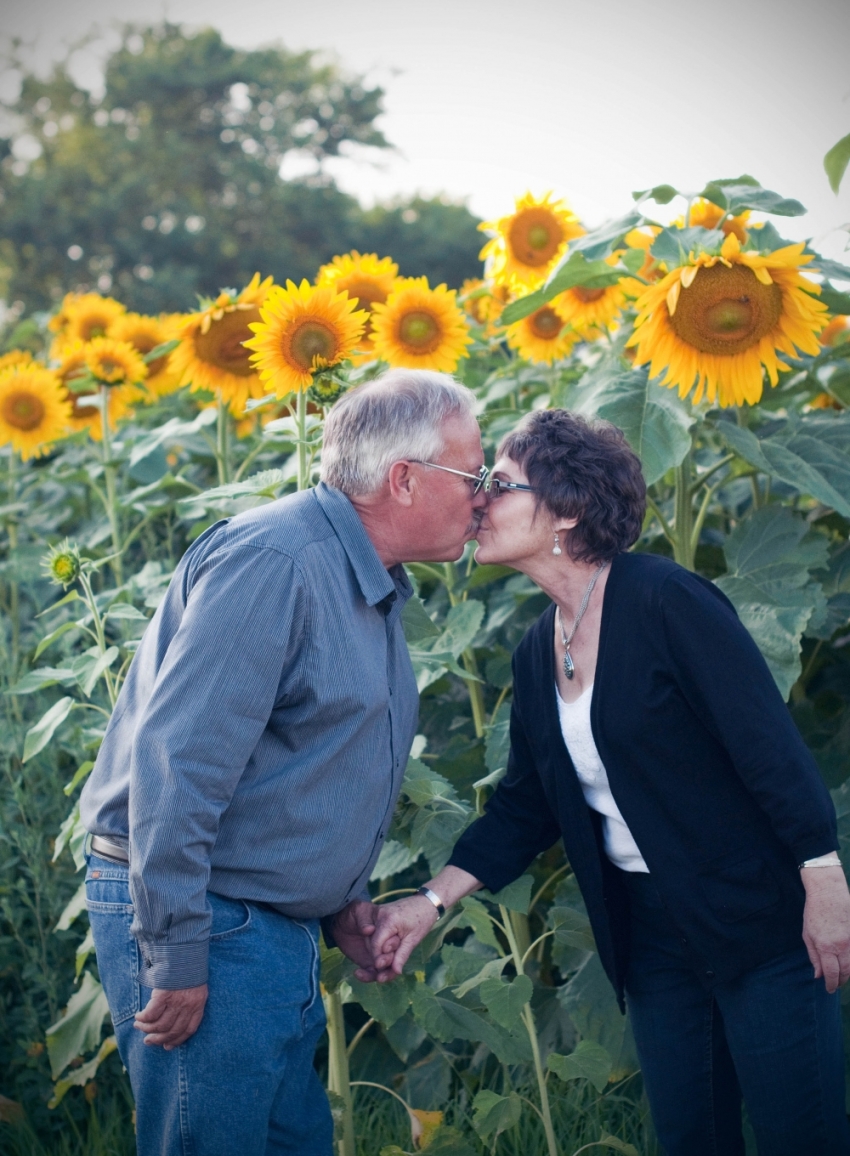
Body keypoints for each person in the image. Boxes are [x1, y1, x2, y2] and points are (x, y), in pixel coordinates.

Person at [371, 408, 850, 1156]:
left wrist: (824, 882)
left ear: (564, 509)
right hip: (650, 933)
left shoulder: (668, 603)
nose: (477, 501)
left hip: (757, 920)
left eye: (499, 485)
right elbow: (526, 807)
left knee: (804, 1134)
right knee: (692, 1138)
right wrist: (430, 903)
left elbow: (770, 750)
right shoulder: (538, 650)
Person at [79, 368, 488, 1156]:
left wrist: (342, 904)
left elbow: (305, 760)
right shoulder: (279, 561)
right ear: (403, 480)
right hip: (207, 919)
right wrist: (177, 951)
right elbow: (179, 766)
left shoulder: (363, 576)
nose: (482, 495)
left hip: (264, 929)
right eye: (471, 474)